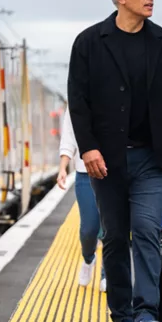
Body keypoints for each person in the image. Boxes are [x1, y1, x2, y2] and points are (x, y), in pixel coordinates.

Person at [67, 0, 162, 322]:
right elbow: (78, 100)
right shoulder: (89, 43)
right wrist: (87, 148)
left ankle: (146, 310)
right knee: (117, 236)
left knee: (148, 230)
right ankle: (121, 312)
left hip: (153, 160)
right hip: (107, 161)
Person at [56, 106, 106, 292]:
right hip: (85, 173)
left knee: (109, 228)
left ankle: (106, 273)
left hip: (112, 173)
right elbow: (69, 135)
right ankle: (88, 259)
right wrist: (62, 167)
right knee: (89, 229)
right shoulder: (78, 96)